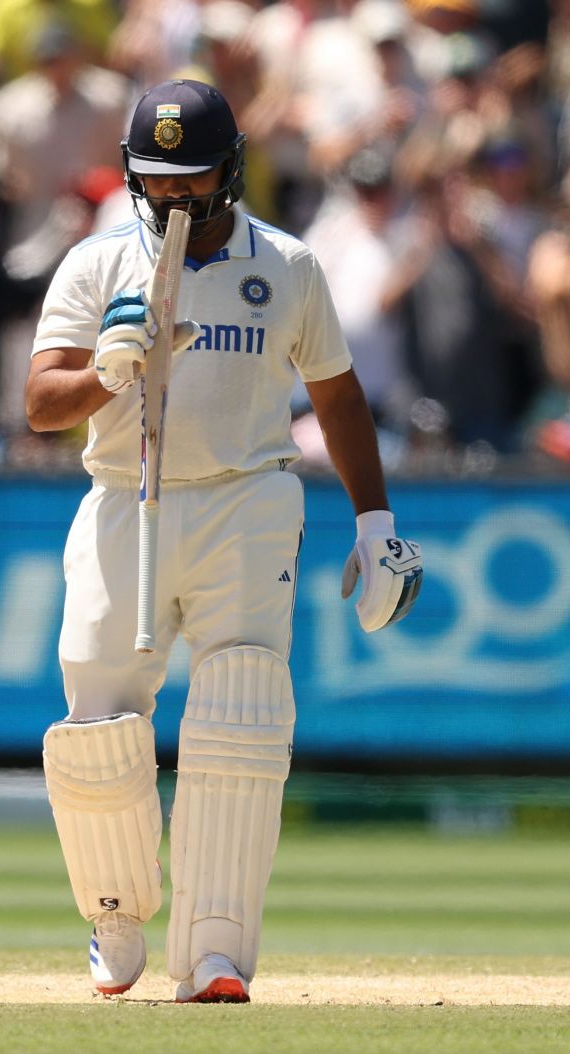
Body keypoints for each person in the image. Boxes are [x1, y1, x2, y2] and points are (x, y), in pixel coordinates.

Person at [23, 79, 422, 1003]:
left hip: (248, 497)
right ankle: (116, 914)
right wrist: (110, 372)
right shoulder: (94, 265)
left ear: (230, 172)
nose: (174, 200)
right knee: (97, 719)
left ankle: (215, 948)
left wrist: (375, 522)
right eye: (157, 181)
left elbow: (338, 396)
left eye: (193, 180)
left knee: (242, 708)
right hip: (124, 497)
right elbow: (41, 402)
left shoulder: (286, 265)